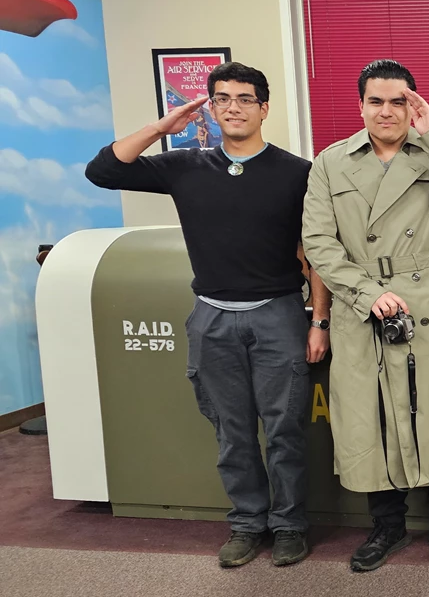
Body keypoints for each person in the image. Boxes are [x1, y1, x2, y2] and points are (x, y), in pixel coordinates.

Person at [85, 62, 331, 568]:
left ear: (264, 108)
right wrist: (160, 128)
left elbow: (318, 253)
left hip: (279, 315)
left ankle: (288, 526)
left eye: (244, 98)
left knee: (283, 431)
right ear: (211, 108)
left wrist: (319, 320)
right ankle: (247, 524)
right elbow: (103, 171)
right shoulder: (186, 166)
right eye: (222, 99)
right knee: (232, 431)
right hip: (212, 319)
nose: (233, 107)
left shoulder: (298, 173)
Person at [301, 59, 429, 573]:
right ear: (361, 104)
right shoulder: (331, 162)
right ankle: (386, 524)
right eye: (377, 101)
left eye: (399, 101)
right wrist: (366, 293)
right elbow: (319, 243)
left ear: (413, 103)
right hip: (362, 301)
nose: (387, 111)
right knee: (372, 415)